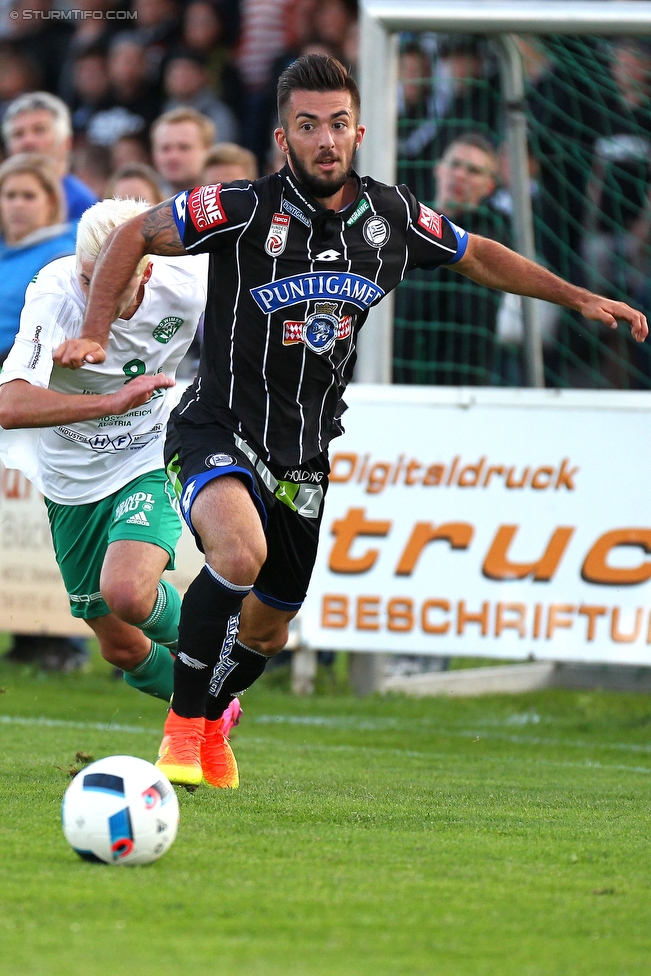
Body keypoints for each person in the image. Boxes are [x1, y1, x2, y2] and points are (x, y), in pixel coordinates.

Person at [54, 55, 647, 790]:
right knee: (237, 555)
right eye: (308, 126)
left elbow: (477, 255)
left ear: (358, 130)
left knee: (271, 628)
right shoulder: (240, 207)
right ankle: (183, 732)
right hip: (217, 427)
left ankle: (211, 716)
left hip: (304, 453)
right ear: (283, 137)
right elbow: (134, 232)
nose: (326, 139)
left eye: (337, 124)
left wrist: (577, 297)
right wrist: (94, 327)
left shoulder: (390, 217)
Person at [0, 199, 207, 719]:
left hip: (149, 451)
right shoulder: (54, 294)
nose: (98, 295)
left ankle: (224, 662)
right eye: (90, 280)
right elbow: (10, 403)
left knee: (130, 593)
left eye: (113, 282)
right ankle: (212, 702)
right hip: (70, 477)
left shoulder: (187, 279)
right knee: (120, 647)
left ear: (147, 268)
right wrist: (108, 402)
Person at [394, 132, 512, 385]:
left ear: (489, 187)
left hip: (460, 379)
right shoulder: (404, 224)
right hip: (397, 371)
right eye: (455, 165)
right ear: (438, 169)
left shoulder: (493, 233)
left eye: (473, 171)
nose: (460, 175)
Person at [0, 153, 77, 365]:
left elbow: (48, 336)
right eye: (10, 195)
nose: (18, 205)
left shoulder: (60, 257)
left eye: (29, 196)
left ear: (51, 202)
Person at [2, 92, 98, 222]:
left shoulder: (83, 205)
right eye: (18, 134)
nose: (28, 140)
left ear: (66, 142)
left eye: (39, 130)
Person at [151, 107, 215, 197]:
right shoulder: (146, 206)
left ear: (207, 150)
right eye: (165, 148)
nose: (173, 156)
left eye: (184, 147)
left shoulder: (229, 201)